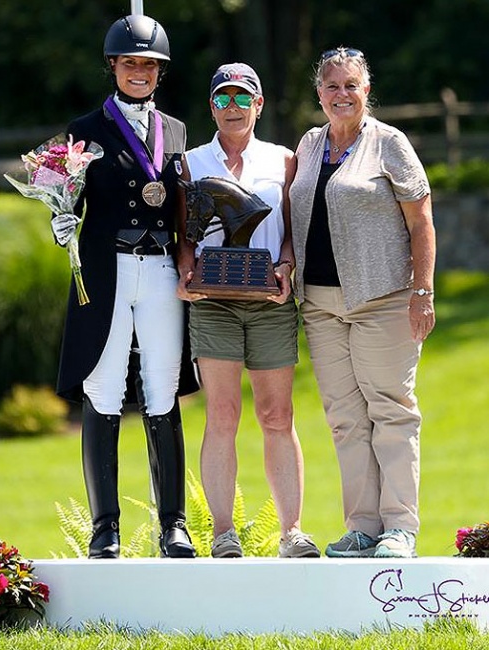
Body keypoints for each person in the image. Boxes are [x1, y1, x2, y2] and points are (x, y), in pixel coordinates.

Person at [52, 14, 198, 559]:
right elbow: (67, 197)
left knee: (162, 386)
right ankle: (104, 527)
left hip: (160, 268)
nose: (140, 72)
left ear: (160, 72)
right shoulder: (84, 129)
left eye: (149, 65)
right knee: (105, 384)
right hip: (107, 267)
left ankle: (174, 525)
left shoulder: (177, 130)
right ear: (113, 66)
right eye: (130, 62)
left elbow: (185, 202)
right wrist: (59, 222)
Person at [289, 47, 436, 558]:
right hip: (321, 304)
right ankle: (362, 526)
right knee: (345, 418)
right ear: (319, 94)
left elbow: (421, 221)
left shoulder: (389, 143)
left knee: (391, 410)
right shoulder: (309, 145)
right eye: (332, 86)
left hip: (383, 298)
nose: (341, 95)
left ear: (366, 90)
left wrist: (423, 290)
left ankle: (399, 527)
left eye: (351, 85)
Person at [177, 62, 320, 559]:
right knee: (222, 414)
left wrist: (286, 265)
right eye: (222, 99)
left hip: (269, 303)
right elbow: (184, 234)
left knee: (277, 414)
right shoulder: (192, 163)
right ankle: (223, 534)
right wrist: (185, 273)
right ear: (210, 106)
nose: (232, 107)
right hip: (213, 303)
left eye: (242, 98)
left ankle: (292, 531)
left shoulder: (283, 161)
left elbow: (292, 230)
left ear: (258, 105)